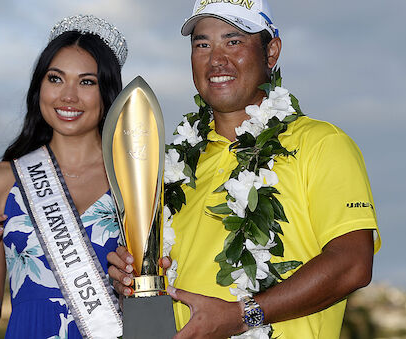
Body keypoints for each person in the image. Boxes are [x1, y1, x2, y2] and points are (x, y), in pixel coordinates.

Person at [107, 1, 381, 338]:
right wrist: (134, 277)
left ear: (271, 52)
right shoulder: (171, 168)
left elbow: (353, 265)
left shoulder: (323, 144)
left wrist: (243, 315)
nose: (216, 59)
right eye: (202, 44)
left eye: (233, 41)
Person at [0, 14, 128, 339]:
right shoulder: (1, 180)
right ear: (39, 88)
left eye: (87, 82)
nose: (68, 96)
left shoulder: (133, 181)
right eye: (55, 79)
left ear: (108, 94)